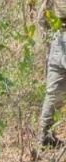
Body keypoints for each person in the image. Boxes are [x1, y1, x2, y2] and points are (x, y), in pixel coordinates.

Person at [39, 0, 66, 147]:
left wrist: (51, 37)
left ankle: (44, 137)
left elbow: (41, 18)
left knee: (54, 93)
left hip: (59, 39)